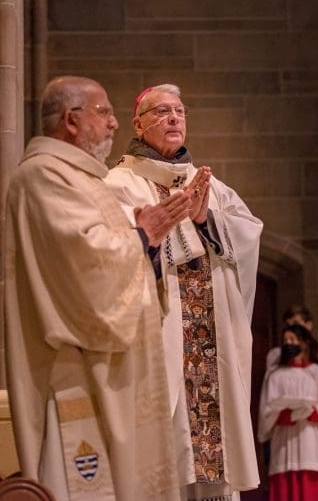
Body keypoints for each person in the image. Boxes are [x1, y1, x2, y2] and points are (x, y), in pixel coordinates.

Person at [3, 75, 194, 501]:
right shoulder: (43, 178)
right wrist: (143, 235)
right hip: (76, 380)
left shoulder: (85, 182)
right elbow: (85, 266)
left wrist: (145, 236)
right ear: (71, 120)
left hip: (109, 375)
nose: (112, 124)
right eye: (104, 112)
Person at [105, 84, 263, 501]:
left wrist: (207, 218)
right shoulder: (120, 184)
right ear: (138, 124)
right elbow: (110, 251)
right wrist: (165, 229)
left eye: (179, 110)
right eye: (161, 111)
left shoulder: (212, 187)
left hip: (212, 347)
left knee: (212, 454)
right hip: (158, 339)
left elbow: (249, 235)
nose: (173, 118)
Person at [257, 324, 318, 501]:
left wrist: (310, 411)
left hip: (312, 446)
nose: (288, 344)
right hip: (283, 444)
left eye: (292, 339)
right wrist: (287, 415)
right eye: (285, 341)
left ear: (304, 343)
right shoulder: (275, 375)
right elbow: (266, 414)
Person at [265, 304, 318, 411]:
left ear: (309, 325)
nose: (291, 328)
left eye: (296, 323)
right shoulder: (276, 356)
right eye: (288, 324)